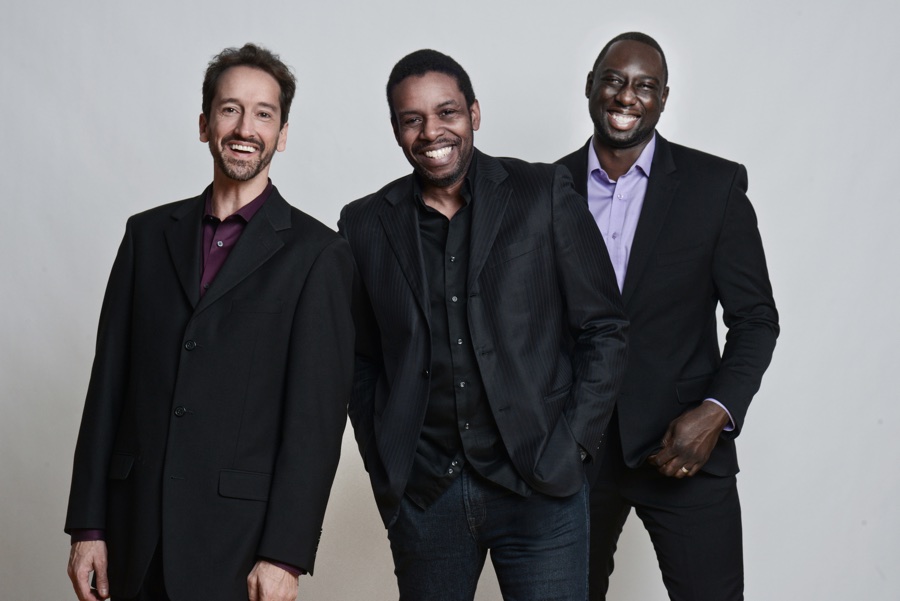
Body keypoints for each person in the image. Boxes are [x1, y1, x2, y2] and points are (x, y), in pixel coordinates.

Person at [64, 43, 355, 601]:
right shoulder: (146, 237)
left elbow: (314, 425)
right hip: (132, 533)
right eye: (230, 109)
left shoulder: (318, 255)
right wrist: (88, 526)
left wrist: (285, 555)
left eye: (264, 113)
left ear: (283, 133)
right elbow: (107, 388)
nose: (246, 126)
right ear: (204, 124)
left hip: (237, 546)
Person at [339, 49, 628, 601]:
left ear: (474, 113)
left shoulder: (541, 194)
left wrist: (570, 448)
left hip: (540, 487)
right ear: (397, 130)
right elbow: (361, 359)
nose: (431, 132)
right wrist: (386, 464)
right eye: (412, 119)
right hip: (426, 497)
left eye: (446, 112)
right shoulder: (363, 224)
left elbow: (605, 328)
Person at [556, 32, 780, 600]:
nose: (626, 96)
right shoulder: (543, 187)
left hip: (684, 448)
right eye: (614, 79)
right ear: (590, 87)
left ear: (662, 98)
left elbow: (755, 318)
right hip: (572, 454)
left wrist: (715, 412)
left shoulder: (715, 186)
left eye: (645, 86)